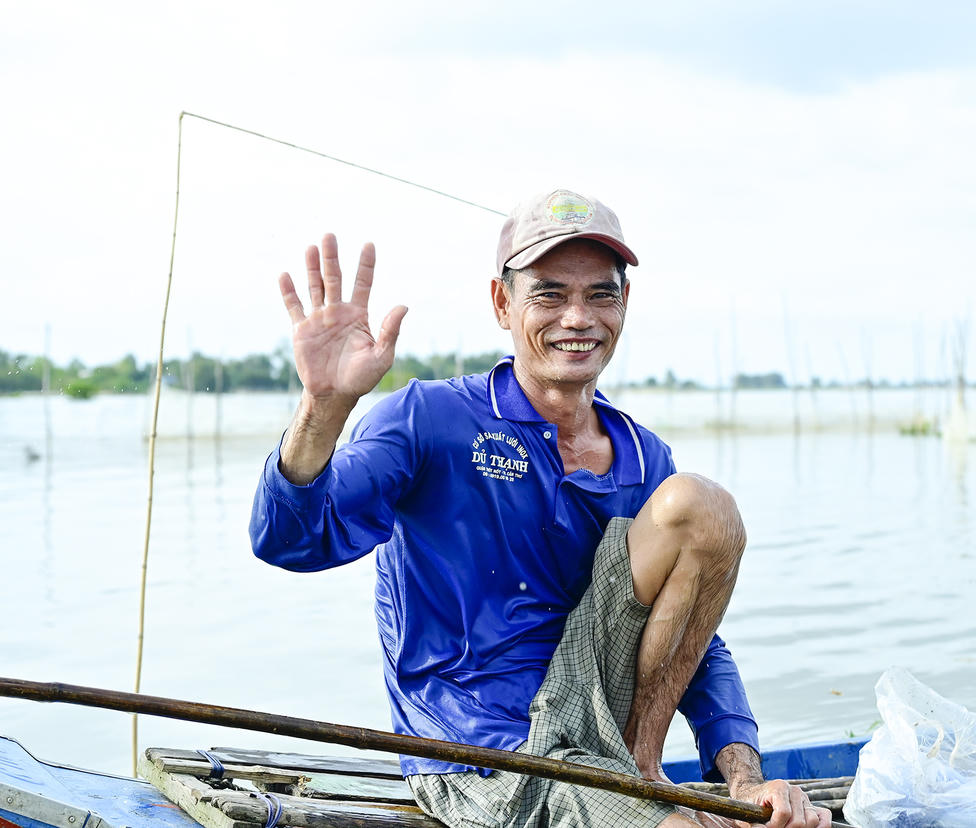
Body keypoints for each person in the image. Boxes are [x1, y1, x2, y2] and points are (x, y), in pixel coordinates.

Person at [249, 189, 831, 828]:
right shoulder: (429, 418)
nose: (577, 318)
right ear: (503, 304)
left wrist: (745, 778)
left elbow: (694, 639)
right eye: (549, 294)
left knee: (702, 504)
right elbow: (289, 541)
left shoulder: (643, 457)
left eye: (599, 295)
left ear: (624, 305)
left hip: (598, 722)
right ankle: (641, 804)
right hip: (482, 752)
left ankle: (640, 768)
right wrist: (324, 406)